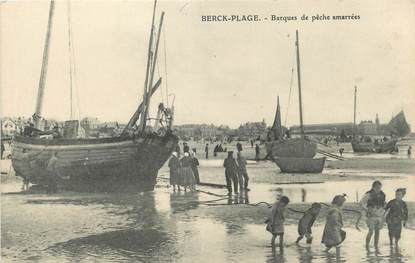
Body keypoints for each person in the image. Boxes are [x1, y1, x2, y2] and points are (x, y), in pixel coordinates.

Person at [360, 180, 386, 250]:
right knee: (371, 230)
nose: (378, 189)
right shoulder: (368, 194)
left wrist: (382, 212)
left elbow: (384, 205)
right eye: (377, 188)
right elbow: (361, 203)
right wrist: (366, 210)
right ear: (373, 187)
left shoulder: (382, 194)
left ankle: (376, 246)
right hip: (370, 215)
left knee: (377, 231)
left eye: (380, 188)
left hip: (379, 215)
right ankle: (367, 246)